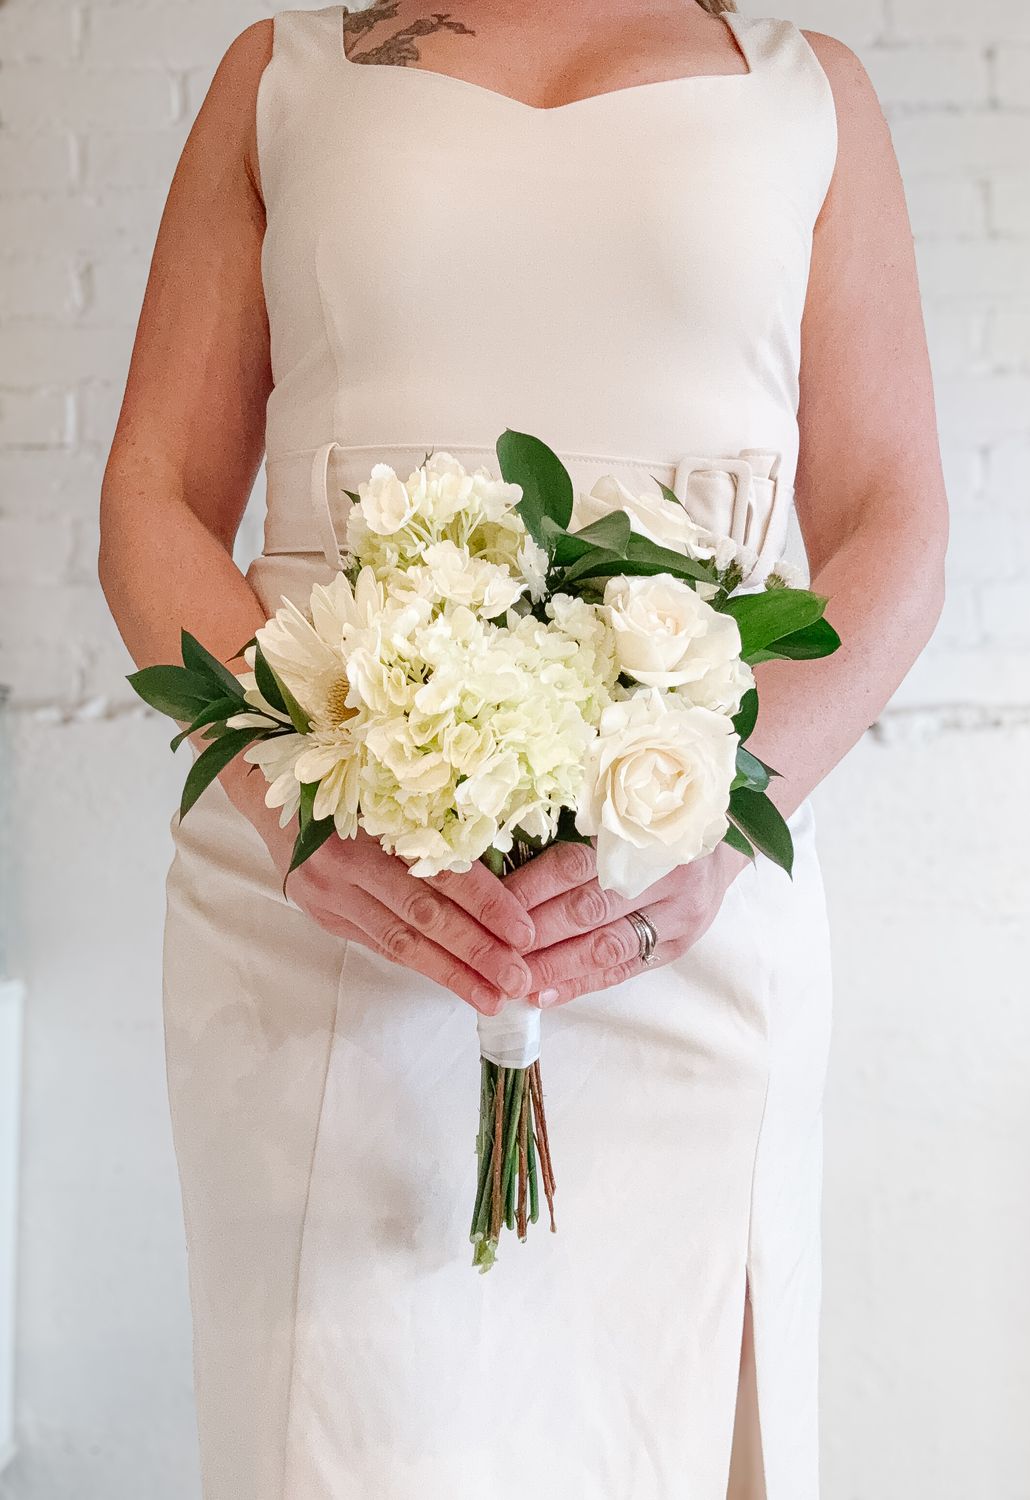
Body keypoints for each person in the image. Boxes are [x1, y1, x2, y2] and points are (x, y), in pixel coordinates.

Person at [97, 2, 948, 1496]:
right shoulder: (283, 74)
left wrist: (721, 810)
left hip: (679, 908)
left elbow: (894, 525)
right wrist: (294, 810)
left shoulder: (810, 95)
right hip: (326, 895)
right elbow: (155, 497)